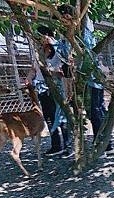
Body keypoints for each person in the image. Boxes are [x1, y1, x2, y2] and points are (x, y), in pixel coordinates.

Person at [26, 25, 71, 157]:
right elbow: (34, 69)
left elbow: (65, 70)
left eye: (40, 36)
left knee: (61, 117)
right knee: (49, 117)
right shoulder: (39, 52)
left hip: (55, 88)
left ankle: (69, 146)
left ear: (47, 36)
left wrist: (53, 71)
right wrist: (29, 78)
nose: (39, 39)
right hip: (42, 89)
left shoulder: (58, 50)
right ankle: (56, 145)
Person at [82, 12, 114, 153]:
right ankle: (104, 144)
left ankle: (103, 145)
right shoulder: (86, 36)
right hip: (93, 82)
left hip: (92, 82)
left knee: (96, 113)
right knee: (98, 112)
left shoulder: (86, 37)